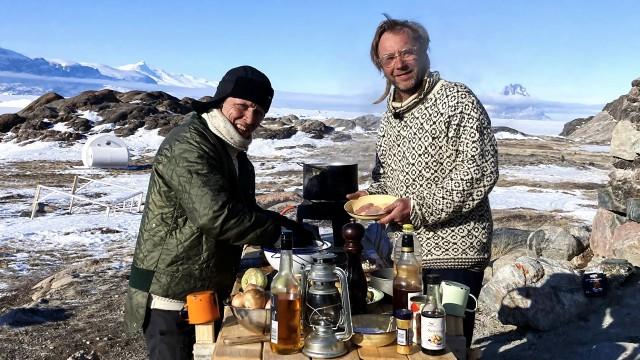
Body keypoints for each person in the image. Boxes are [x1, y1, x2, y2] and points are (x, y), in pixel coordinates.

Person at [124, 65, 313, 360]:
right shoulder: (189, 144)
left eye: (259, 112)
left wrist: (290, 226)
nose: (250, 119)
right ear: (220, 101)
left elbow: (245, 212)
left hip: (203, 288)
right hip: (170, 295)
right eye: (243, 106)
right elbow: (216, 215)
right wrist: (279, 235)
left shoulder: (233, 152)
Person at [348, 16, 499, 350]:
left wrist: (416, 207)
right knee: (410, 345)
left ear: (425, 53)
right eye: (388, 58)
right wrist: (370, 196)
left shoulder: (457, 100)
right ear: (380, 65)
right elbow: (386, 176)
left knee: (445, 348)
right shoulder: (391, 116)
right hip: (406, 255)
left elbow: (479, 171)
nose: (399, 64)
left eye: (407, 53)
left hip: (455, 255)